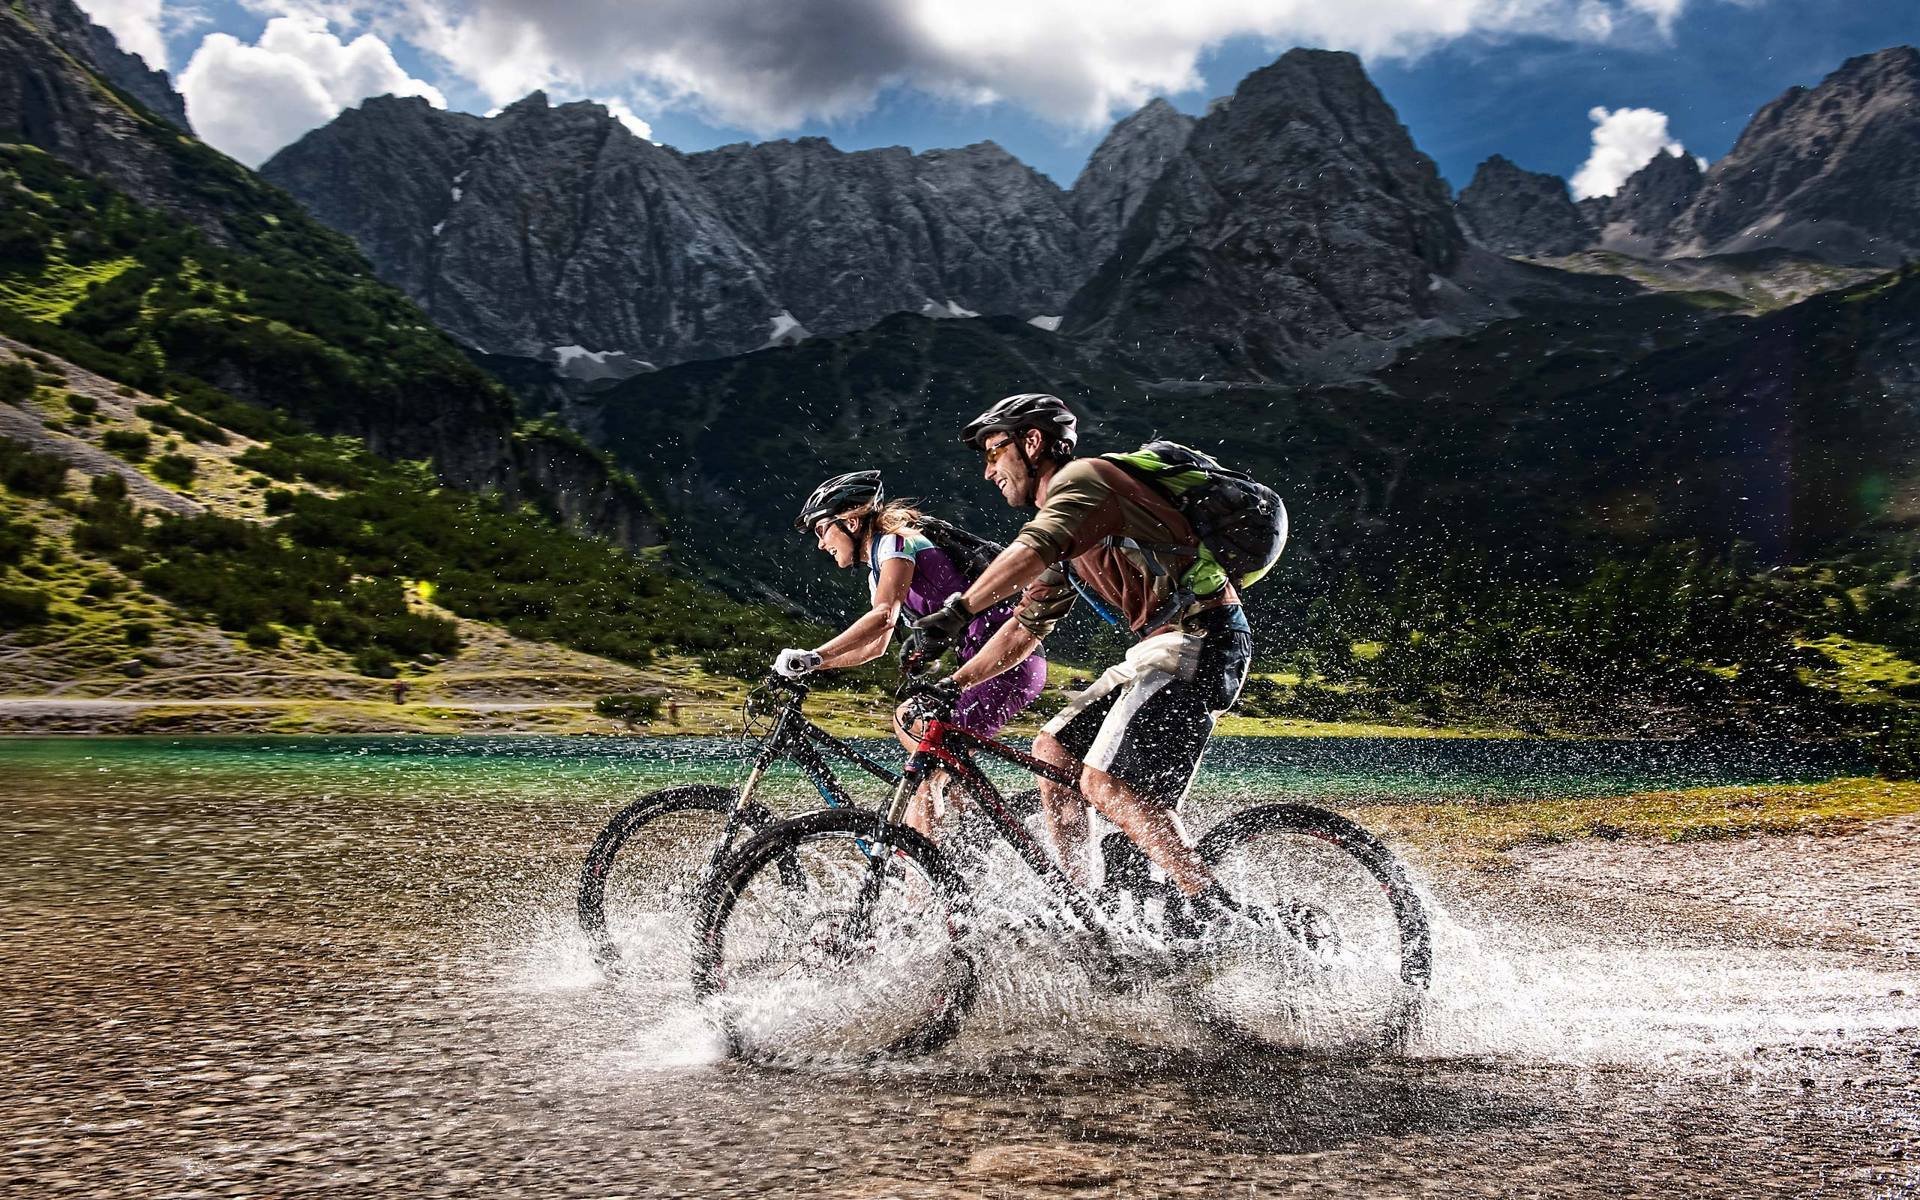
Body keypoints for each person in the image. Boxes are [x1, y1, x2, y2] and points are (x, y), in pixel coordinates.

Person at [901, 394, 1254, 934]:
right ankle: (1085, 908)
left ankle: (1216, 908)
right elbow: (1023, 628)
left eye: (995, 452)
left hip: (1200, 639)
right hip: (1160, 649)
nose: (988, 470)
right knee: (1054, 751)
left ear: (1033, 442)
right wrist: (954, 683)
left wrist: (957, 610)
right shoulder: (1068, 533)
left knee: (1102, 781)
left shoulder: (1084, 480)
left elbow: (1030, 550)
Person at [772, 470, 1047, 836]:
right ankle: (960, 827)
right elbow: (875, 646)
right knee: (928, 750)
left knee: (915, 744)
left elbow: (883, 617)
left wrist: (814, 655)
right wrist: (812, 666)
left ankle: (925, 872)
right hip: (990, 665)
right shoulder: (879, 565)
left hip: (1007, 661)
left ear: (851, 520)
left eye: (823, 530)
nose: (821, 544)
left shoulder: (896, 542)